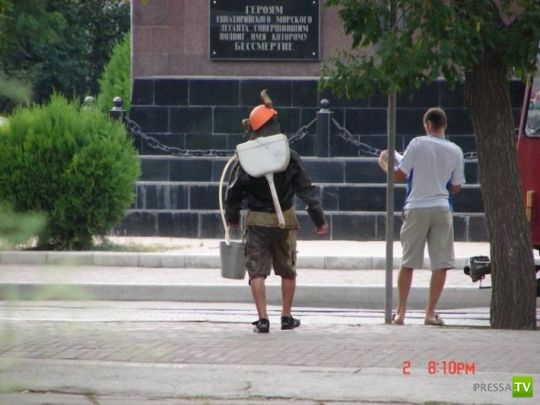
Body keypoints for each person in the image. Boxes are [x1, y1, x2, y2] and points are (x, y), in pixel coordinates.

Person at [225, 90, 329, 333]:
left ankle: (263, 320)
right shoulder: (288, 155)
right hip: (285, 221)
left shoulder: (246, 158)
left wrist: (232, 218)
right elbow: (306, 189)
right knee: (288, 270)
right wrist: (319, 220)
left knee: (257, 272)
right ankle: (286, 316)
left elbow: (233, 190)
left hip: (257, 222)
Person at [378, 107, 465, 326]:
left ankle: (401, 312)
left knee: (408, 262)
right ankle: (430, 313)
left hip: (416, 207)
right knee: (440, 263)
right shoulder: (456, 150)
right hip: (442, 208)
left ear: (428, 124)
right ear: (444, 125)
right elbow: (456, 187)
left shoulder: (417, 143)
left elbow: (400, 174)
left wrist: (384, 164)